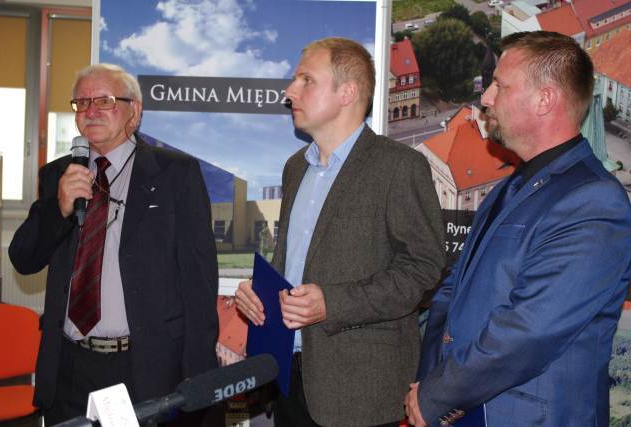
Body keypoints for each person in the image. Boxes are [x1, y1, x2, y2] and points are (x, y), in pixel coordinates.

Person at [405, 31, 631, 427]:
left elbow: (530, 330)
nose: (486, 98)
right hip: (464, 406)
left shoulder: (595, 202)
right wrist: (430, 383)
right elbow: (454, 292)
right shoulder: (510, 187)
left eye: (500, 85)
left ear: (545, 100)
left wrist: (438, 395)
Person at [234, 37, 446, 427]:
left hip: (359, 393)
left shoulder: (399, 166)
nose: (289, 91)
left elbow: (423, 269)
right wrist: (258, 293)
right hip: (288, 379)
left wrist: (333, 303)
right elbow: (292, 265)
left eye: (306, 80)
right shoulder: (295, 168)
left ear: (347, 92)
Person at [9, 64, 219, 425]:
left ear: (134, 111)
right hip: (69, 366)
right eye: (82, 102)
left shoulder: (175, 173)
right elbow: (24, 259)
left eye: (104, 101)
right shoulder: (58, 175)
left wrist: (198, 376)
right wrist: (58, 209)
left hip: (145, 366)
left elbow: (199, 282)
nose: (90, 111)